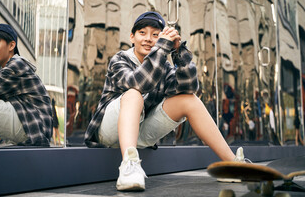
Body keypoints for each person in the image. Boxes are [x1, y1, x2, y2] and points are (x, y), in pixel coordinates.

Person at [84, 11, 246, 191]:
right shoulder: (120, 59)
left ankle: (232, 165)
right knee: (133, 94)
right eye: (142, 33)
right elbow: (139, 82)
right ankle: (130, 166)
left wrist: (178, 53)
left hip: (141, 130)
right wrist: (161, 47)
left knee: (189, 100)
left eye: (155, 35)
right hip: (108, 132)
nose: (148, 39)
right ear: (132, 37)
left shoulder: (164, 65)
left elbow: (189, 87)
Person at [0, 24, 53, 146]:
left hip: (34, 126)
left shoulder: (17, 65)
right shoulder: (11, 67)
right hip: (31, 122)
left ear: (11, 45)